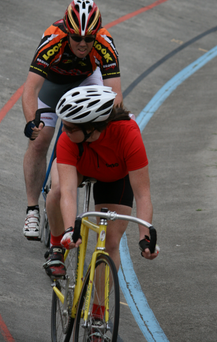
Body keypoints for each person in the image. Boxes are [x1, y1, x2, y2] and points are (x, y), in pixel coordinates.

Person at [22, 0, 123, 240]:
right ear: (67, 31)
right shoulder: (52, 37)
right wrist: (31, 122)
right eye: (77, 37)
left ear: (95, 35)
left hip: (85, 82)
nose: (83, 43)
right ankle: (32, 209)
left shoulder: (105, 43)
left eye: (89, 39)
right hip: (52, 85)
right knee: (39, 141)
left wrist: (109, 130)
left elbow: (115, 97)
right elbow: (30, 90)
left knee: (89, 130)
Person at [43, 85, 159, 280]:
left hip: (114, 177)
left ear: (92, 128)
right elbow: (69, 191)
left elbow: (142, 194)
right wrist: (71, 230)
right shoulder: (67, 139)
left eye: (70, 127)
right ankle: (56, 248)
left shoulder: (129, 134)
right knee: (57, 190)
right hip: (79, 167)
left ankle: (98, 309)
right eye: (64, 124)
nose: (64, 130)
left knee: (110, 244)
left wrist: (145, 237)